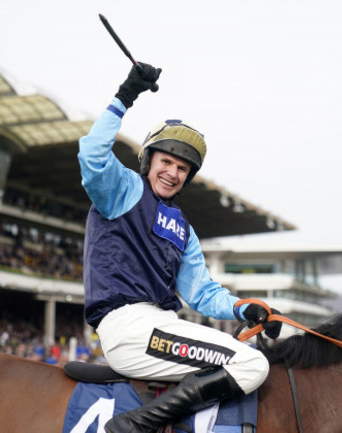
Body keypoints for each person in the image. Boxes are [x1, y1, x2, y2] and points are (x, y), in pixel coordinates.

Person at [77, 62, 282, 433]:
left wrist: (243, 307)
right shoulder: (122, 189)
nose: (172, 173)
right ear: (148, 160)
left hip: (162, 325)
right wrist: (126, 95)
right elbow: (91, 156)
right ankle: (135, 425)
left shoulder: (183, 228)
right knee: (252, 366)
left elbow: (201, 293)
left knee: (249, 357)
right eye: (166, 161)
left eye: (182, 168)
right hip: (129, 326)